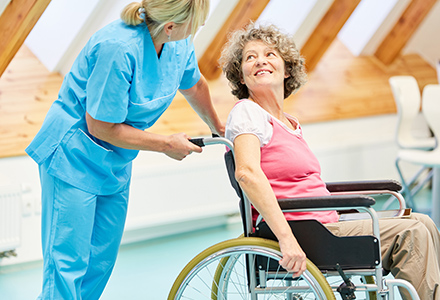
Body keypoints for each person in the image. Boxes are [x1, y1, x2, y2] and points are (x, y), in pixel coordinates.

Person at [220, 23, 440, 300]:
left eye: (270, 54)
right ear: (241, 77)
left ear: (287, 70)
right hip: (305, 231)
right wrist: (287, 240)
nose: (260, 60)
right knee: (413, 231)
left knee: (425, 223)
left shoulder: (289, 123)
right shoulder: (247, 112)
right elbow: (248, 174)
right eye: (250, 57)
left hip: (323, 224)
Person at [25, 1, 224, 299]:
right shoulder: (118, 48)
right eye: (197, 23)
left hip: (115, 160)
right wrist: (166, 144)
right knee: (67, 265)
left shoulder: (177, 43)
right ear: (169, 26)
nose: (201, 28)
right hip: (72, 156)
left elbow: (194, 85)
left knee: (99, 263)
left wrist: (219, 128)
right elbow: (100, 126)